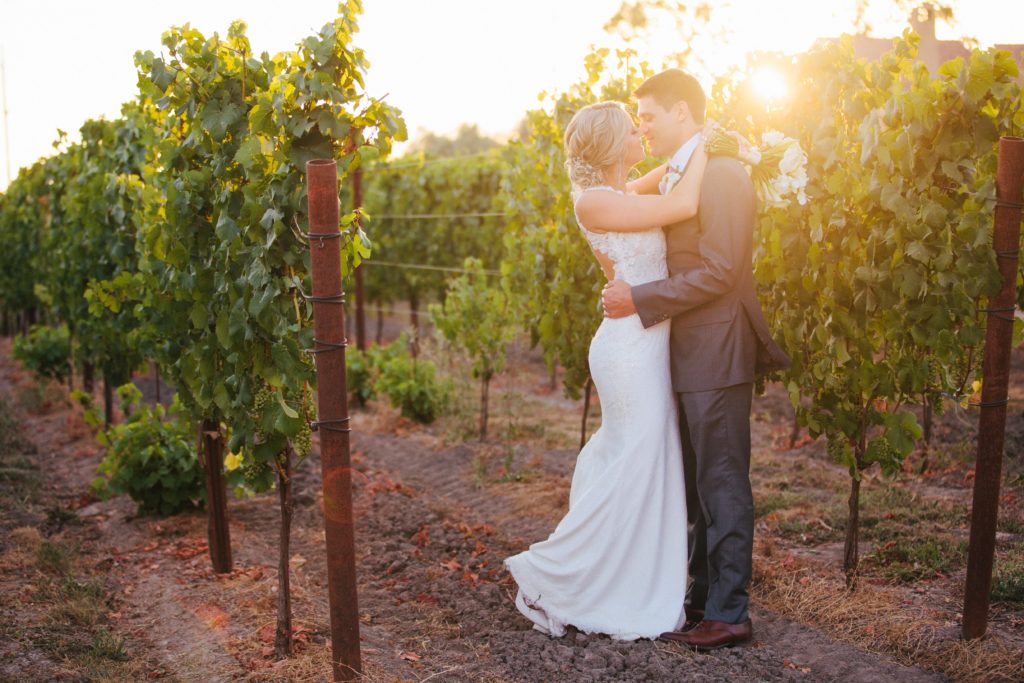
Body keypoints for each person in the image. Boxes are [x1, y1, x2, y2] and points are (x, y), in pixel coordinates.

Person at [503, 100, 708, 640]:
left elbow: (662, 179)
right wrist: (710, 143)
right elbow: (683, 203)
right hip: (628, 348)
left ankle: (623, 576)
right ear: (611, 143)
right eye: (631, 128)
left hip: (644, 340)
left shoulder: (618, 193)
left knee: (642, 455)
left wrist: (686, 151)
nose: (641, 132)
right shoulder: (593, 203)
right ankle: (559, 570)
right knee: (638, 454)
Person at [602, 69, 791, 650]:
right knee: (700, 485)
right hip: (688, 350)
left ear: (683, 112)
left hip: (716, 347)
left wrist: (640, 299)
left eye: (651, 116)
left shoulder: (726, 174)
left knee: (723, 480)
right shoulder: (693, 167)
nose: (644, 127)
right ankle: (703, 601)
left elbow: (721, 270)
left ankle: (730, 613)